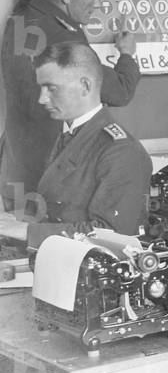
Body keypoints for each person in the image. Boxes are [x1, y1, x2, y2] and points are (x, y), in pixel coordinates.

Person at [1, 0, 140, 211]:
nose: (97, 4)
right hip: (50, 181)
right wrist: (127, 55)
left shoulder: (22, 18)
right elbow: (120, 91)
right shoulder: (67, 43)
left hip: (15, 170)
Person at [0, 42, 151, 248]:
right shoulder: (69, 133)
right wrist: (12, 221)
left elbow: (109, 235)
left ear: (85, 86)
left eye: (51, 89)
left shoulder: (120, 151)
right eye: (41, 88)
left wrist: (23, 230)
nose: (42, 99)